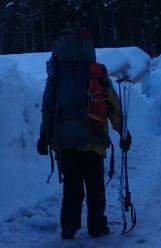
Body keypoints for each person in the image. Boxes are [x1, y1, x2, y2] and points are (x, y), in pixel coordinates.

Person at [37, 26, 132, 240]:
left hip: (65, 139)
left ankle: (69, 226)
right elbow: (112, 105)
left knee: (72, 184)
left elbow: (48, 106)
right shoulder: (96, 74)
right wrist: (123, 132)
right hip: (94, 137)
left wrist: (44, 135)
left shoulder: (58, 77)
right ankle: (97, 225)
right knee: (94, 184)